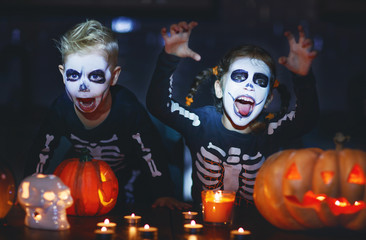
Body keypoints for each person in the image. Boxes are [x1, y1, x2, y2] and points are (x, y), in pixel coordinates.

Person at [146, 21, 319, 206]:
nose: (249, 85)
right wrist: (169, 58)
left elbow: (306, 119)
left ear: (268, 99)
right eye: (239, 76)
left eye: (259, 80)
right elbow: (159, 105)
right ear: (219, 88)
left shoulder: (269, 131)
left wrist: (303, 78)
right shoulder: (200, 124)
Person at [25, 19, 190, 210]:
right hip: (81, 179)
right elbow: (41, 150)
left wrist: (164, 194)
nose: (83, 85)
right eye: (73, 75)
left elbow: (150, 152)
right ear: (63, 75)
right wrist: (31, 186)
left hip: (128, 178)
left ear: (114, 76)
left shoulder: (127, 109)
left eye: (94, 76)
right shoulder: (61, 108)